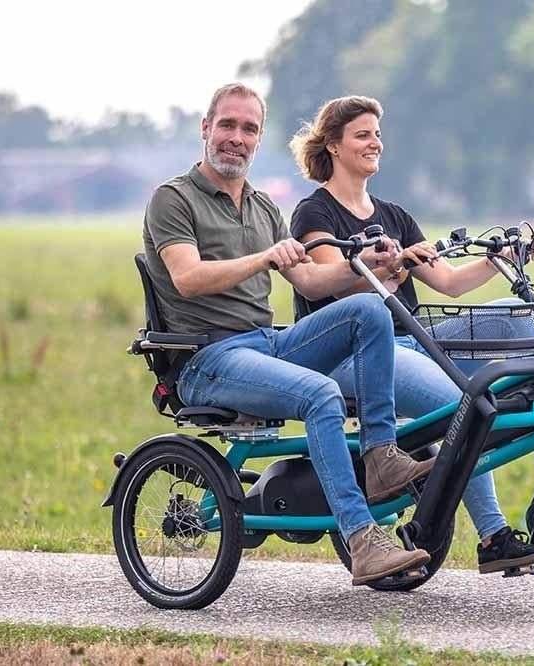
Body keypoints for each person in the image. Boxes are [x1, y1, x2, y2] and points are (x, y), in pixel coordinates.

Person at [142, 83, 435, 586]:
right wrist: (262, 257)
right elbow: (187, 279)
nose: (237, 137)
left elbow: (310, 280)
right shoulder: (174, 198)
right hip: (205, 358)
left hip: (265, 342)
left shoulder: (262, 207)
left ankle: (382, 457)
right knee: (321, 393)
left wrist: (362, 265)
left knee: (368, 309)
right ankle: (362, 540)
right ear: (206, 129)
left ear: (258, 140)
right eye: (228, 125)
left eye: (249, 129)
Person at [288, 96, 534, 574]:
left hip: (413, 340)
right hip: (355, 355)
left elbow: (448, 282)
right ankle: (493, 536)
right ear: (334, 145)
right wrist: (389, 264)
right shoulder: (314, 214)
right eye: (363, 134)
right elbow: (328, 283)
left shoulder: (394, 213)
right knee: (465, 407)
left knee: (515, 312)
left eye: (377, 134)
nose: (375, 143)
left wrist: (501, 258)